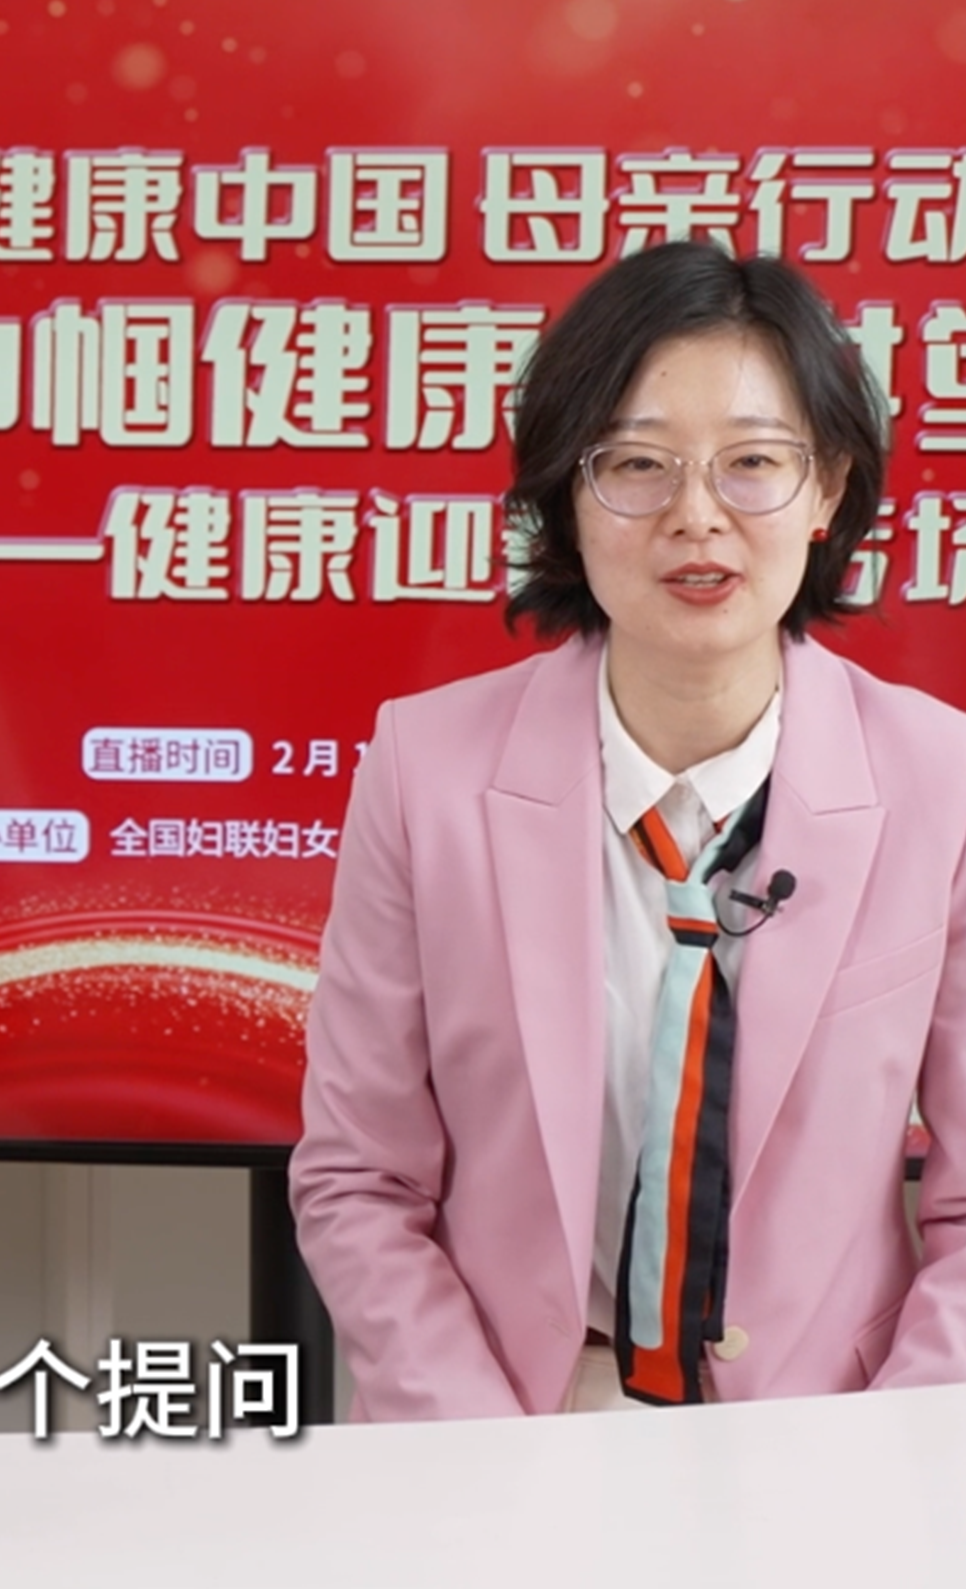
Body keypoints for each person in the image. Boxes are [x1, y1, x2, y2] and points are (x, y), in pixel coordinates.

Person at [290, 241, 966, 1419]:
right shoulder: (424, 770)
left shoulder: (938, 779)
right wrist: (483, 1448)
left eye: (751, 462)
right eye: (636, 464)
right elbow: (359, 1178)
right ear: (566, 492)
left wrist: (877, 1450)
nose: (694, 516)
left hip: (834, 1428)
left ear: (824, 490)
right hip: (515, 1409)